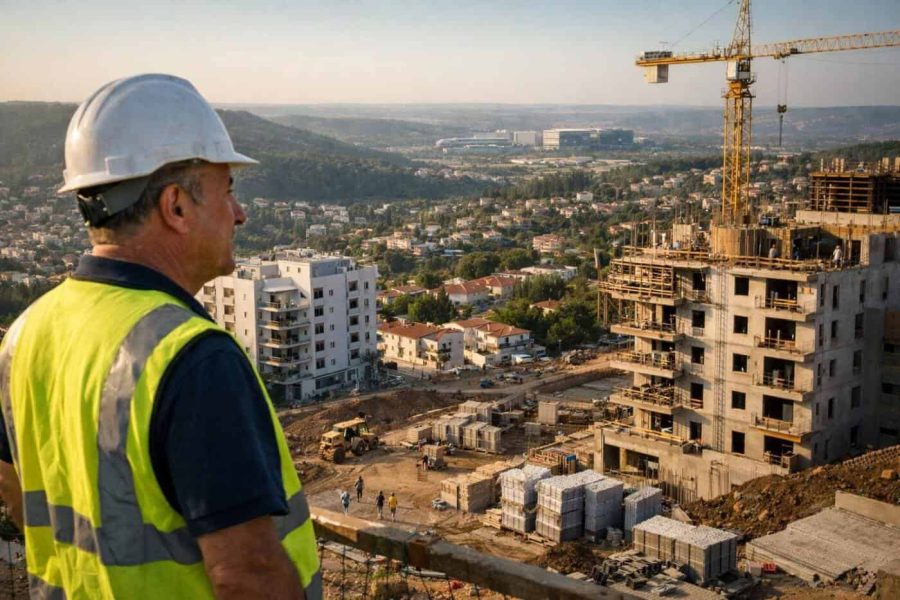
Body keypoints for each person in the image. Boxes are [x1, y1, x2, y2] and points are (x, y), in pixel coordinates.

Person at [0, 75, 320, 600]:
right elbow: (248, 575)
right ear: (176, 206)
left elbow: (15, 489)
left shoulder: (26, 332)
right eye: (228, 192)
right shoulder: (191, 357)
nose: (239, 214)